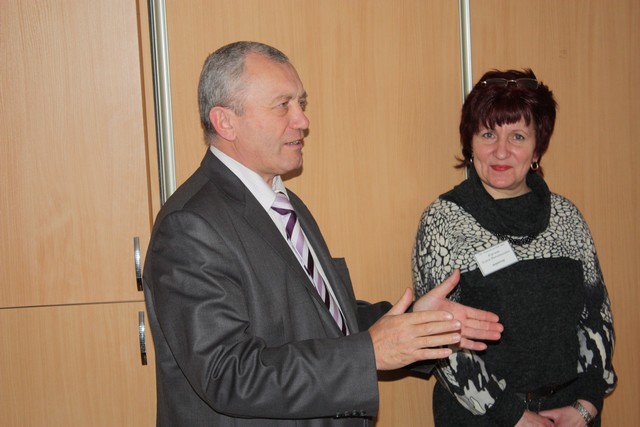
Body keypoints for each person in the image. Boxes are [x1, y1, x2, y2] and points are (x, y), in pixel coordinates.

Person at [143, 41, 503, 427]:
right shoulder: (190, 225)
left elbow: (321, 319)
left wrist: (417, 324)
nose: (302, 120)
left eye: (301, 103)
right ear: (225, 121)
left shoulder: (282, 201)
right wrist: (369, 353)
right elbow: (228, 374)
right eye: (283, 105)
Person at [412, 69, 617, 427]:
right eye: (488, 134)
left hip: (570, 414)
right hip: (483, 417)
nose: (501, 151)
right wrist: (514, 416)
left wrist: (586, 404)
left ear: (537, 147)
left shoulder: (566, 217)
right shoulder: (443, 221)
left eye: (518, 136)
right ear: (470, 142)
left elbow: (596, 317)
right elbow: (442, 341)